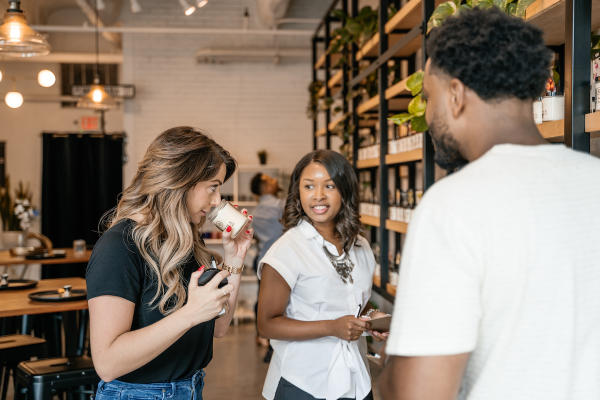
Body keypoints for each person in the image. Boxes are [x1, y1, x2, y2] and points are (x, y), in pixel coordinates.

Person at [379, 8, 600, 400]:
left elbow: (420, 393)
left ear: (456, 95)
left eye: (429, 98)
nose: (428, 115)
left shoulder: (454, 204)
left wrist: (392, 368)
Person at [86, 126, 254, 400]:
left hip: (190, 388)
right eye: (213, 187)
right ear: (180, 180)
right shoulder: (119, 247)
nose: (216, 202)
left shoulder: (187, 242)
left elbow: (220, 327)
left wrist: (235, 258)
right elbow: (107, 363)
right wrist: (190, 313)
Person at [257, 150, 388, 400]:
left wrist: (372, 318)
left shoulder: (360, 246)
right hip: (304, 382)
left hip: (355, 380)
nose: (318, 195)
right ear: (298, 193)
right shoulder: (287, 250)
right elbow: (267, 324)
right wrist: (332, 327)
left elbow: (353, 302)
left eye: (329, 185)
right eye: (309, 186)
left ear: (345, 190)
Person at [249, 172, 284, 353]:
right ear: (265, 186)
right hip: (278, 263)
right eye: (271, 179)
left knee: (261, 298)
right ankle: (273, 340)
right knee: (279, 301)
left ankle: (261, 334)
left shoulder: (256, 212)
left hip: (261, 260)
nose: (275, 180)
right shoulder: (280, 206)